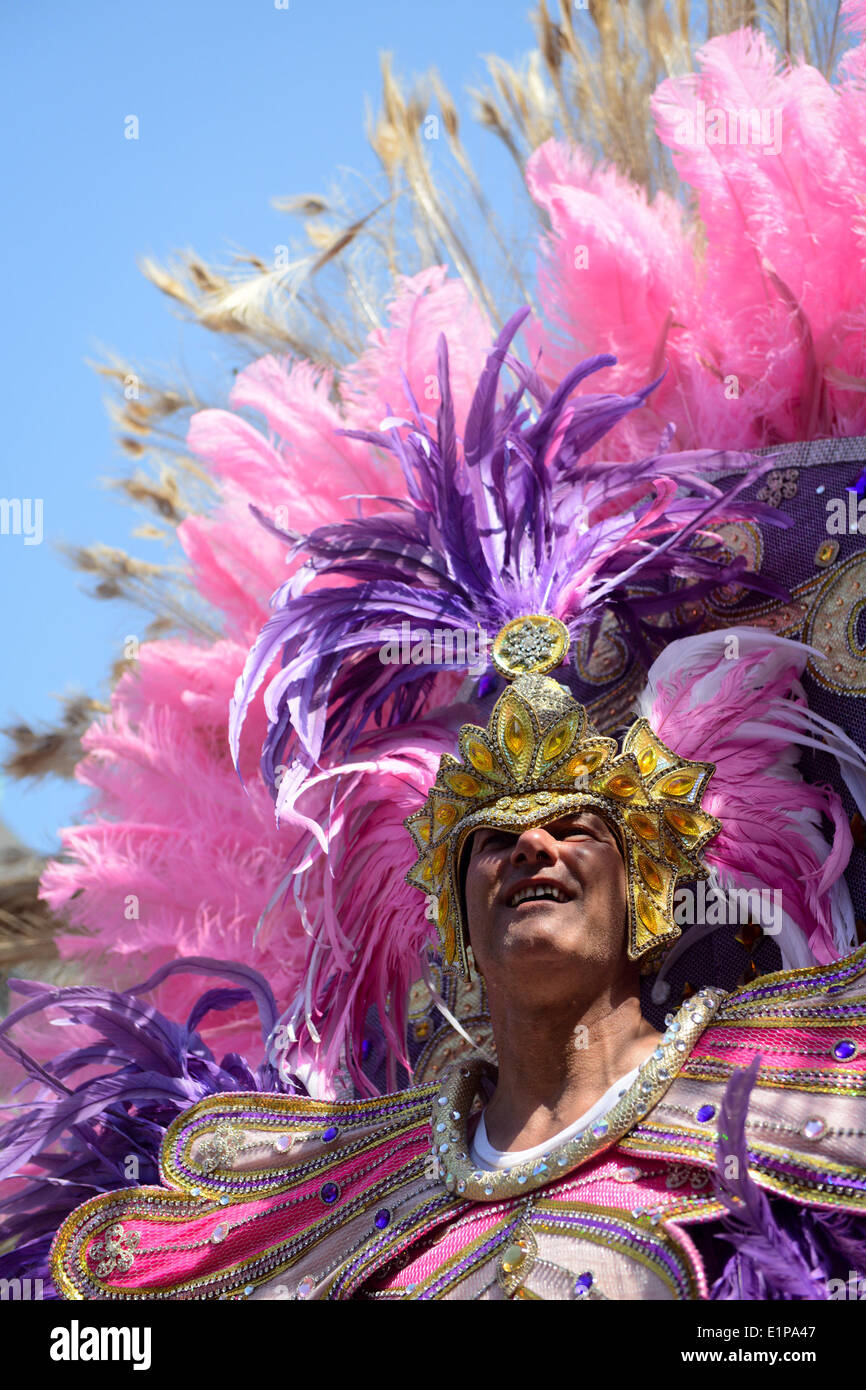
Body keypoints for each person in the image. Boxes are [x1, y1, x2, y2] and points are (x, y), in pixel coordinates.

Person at [50, 621, 866, 1301]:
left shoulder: (792, 1081)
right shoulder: (357, 1188)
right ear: (458, 925)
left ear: (644, 899)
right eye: (496, 840)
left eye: (575, 829)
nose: (533, 847)